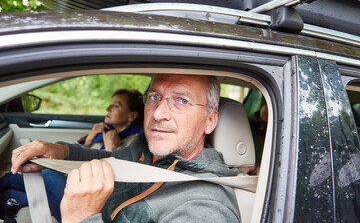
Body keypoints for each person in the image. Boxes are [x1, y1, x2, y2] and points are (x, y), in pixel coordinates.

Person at [10, 74, 241, 223]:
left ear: (210, 121)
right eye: (155, 96)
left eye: (182, 101)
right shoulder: (145, 151)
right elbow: (111, 159)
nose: (158, 113)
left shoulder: (205, 208)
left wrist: (84, 218)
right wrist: (61, 151)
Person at [0, 89, 145, 221]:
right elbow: (88, 157)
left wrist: (113, 147)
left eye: (116, 106)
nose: (108, 108)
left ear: (132, 115)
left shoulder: (134, 140)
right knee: (13, 195)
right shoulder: (105, 131)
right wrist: (89, 140)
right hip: (75, 179)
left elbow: (122, 171)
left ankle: (4, 178)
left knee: (47, 174)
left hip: (94, 196)